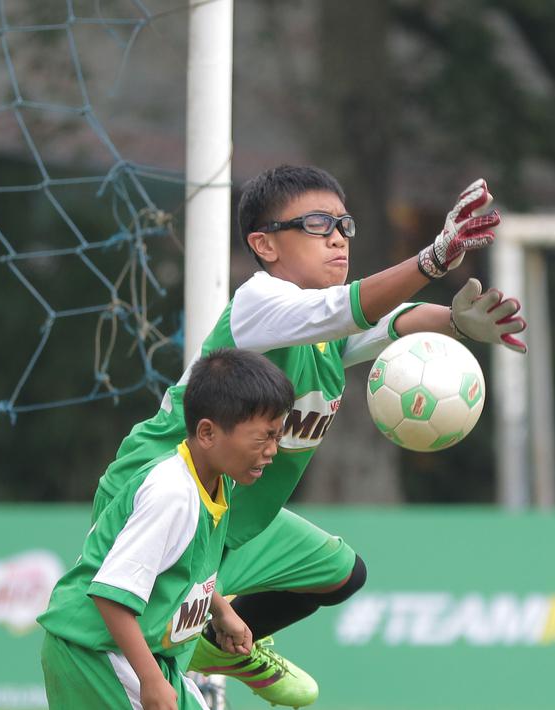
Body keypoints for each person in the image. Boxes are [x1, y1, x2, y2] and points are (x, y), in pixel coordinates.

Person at [92, 165, 528, 707]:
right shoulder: (258, 304)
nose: (338, 236)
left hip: (229, 522)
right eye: (318, 224)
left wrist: (455, 323)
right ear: (264, 244)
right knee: (153, 673)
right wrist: (433, 258)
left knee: (342, 573)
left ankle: (217, 647)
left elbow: (388, 321)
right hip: (163, 499)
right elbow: (354, 308)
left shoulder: (324, 337)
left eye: (344, 224)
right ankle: (181, 654)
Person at [38, 348, 295, 710]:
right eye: (262, 437)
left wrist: (221, 611)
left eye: (278, 437)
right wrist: (151, 681)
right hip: (96, 652)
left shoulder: (218, 480)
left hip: (138, 655)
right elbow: (111, 594)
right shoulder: (172, 492)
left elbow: (177, 570)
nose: (272, 450)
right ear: (207, 432)